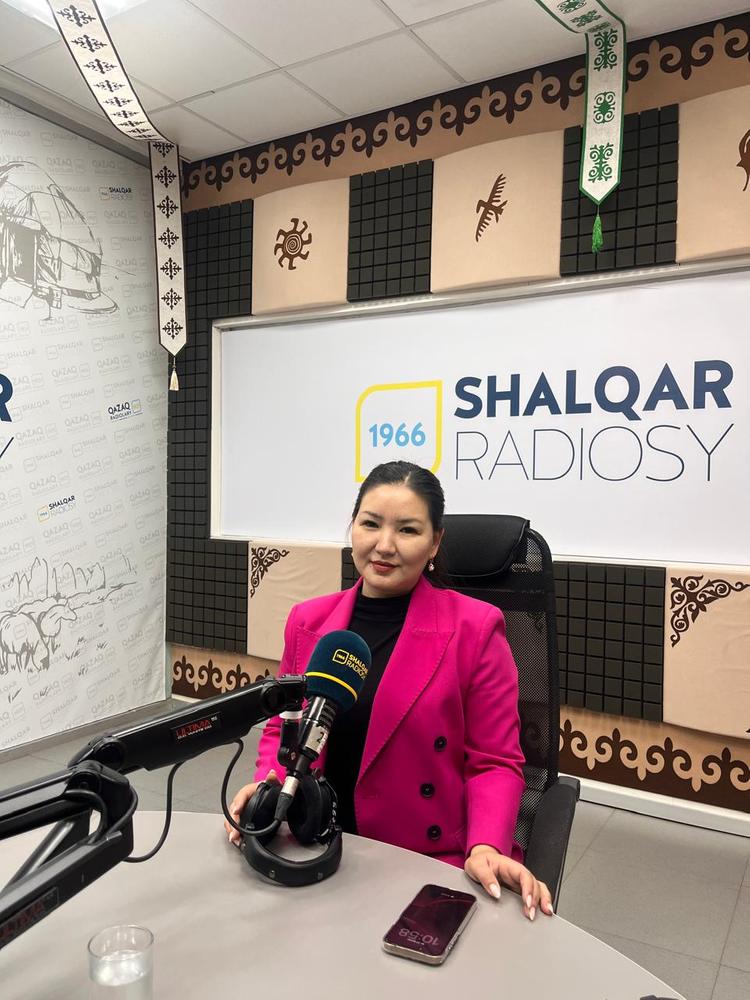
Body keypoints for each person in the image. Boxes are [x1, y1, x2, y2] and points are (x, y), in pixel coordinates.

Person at [225, 461, 553, 921]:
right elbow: (286, 727)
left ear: (435, 542)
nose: (384, 545)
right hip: (313, 843)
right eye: (371, 524)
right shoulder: (308, 621)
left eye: (408, 530)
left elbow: (494, 760)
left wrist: (486, 846)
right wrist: (270, 784)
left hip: (422, 860)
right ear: (352, 527)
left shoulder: (476, 629)